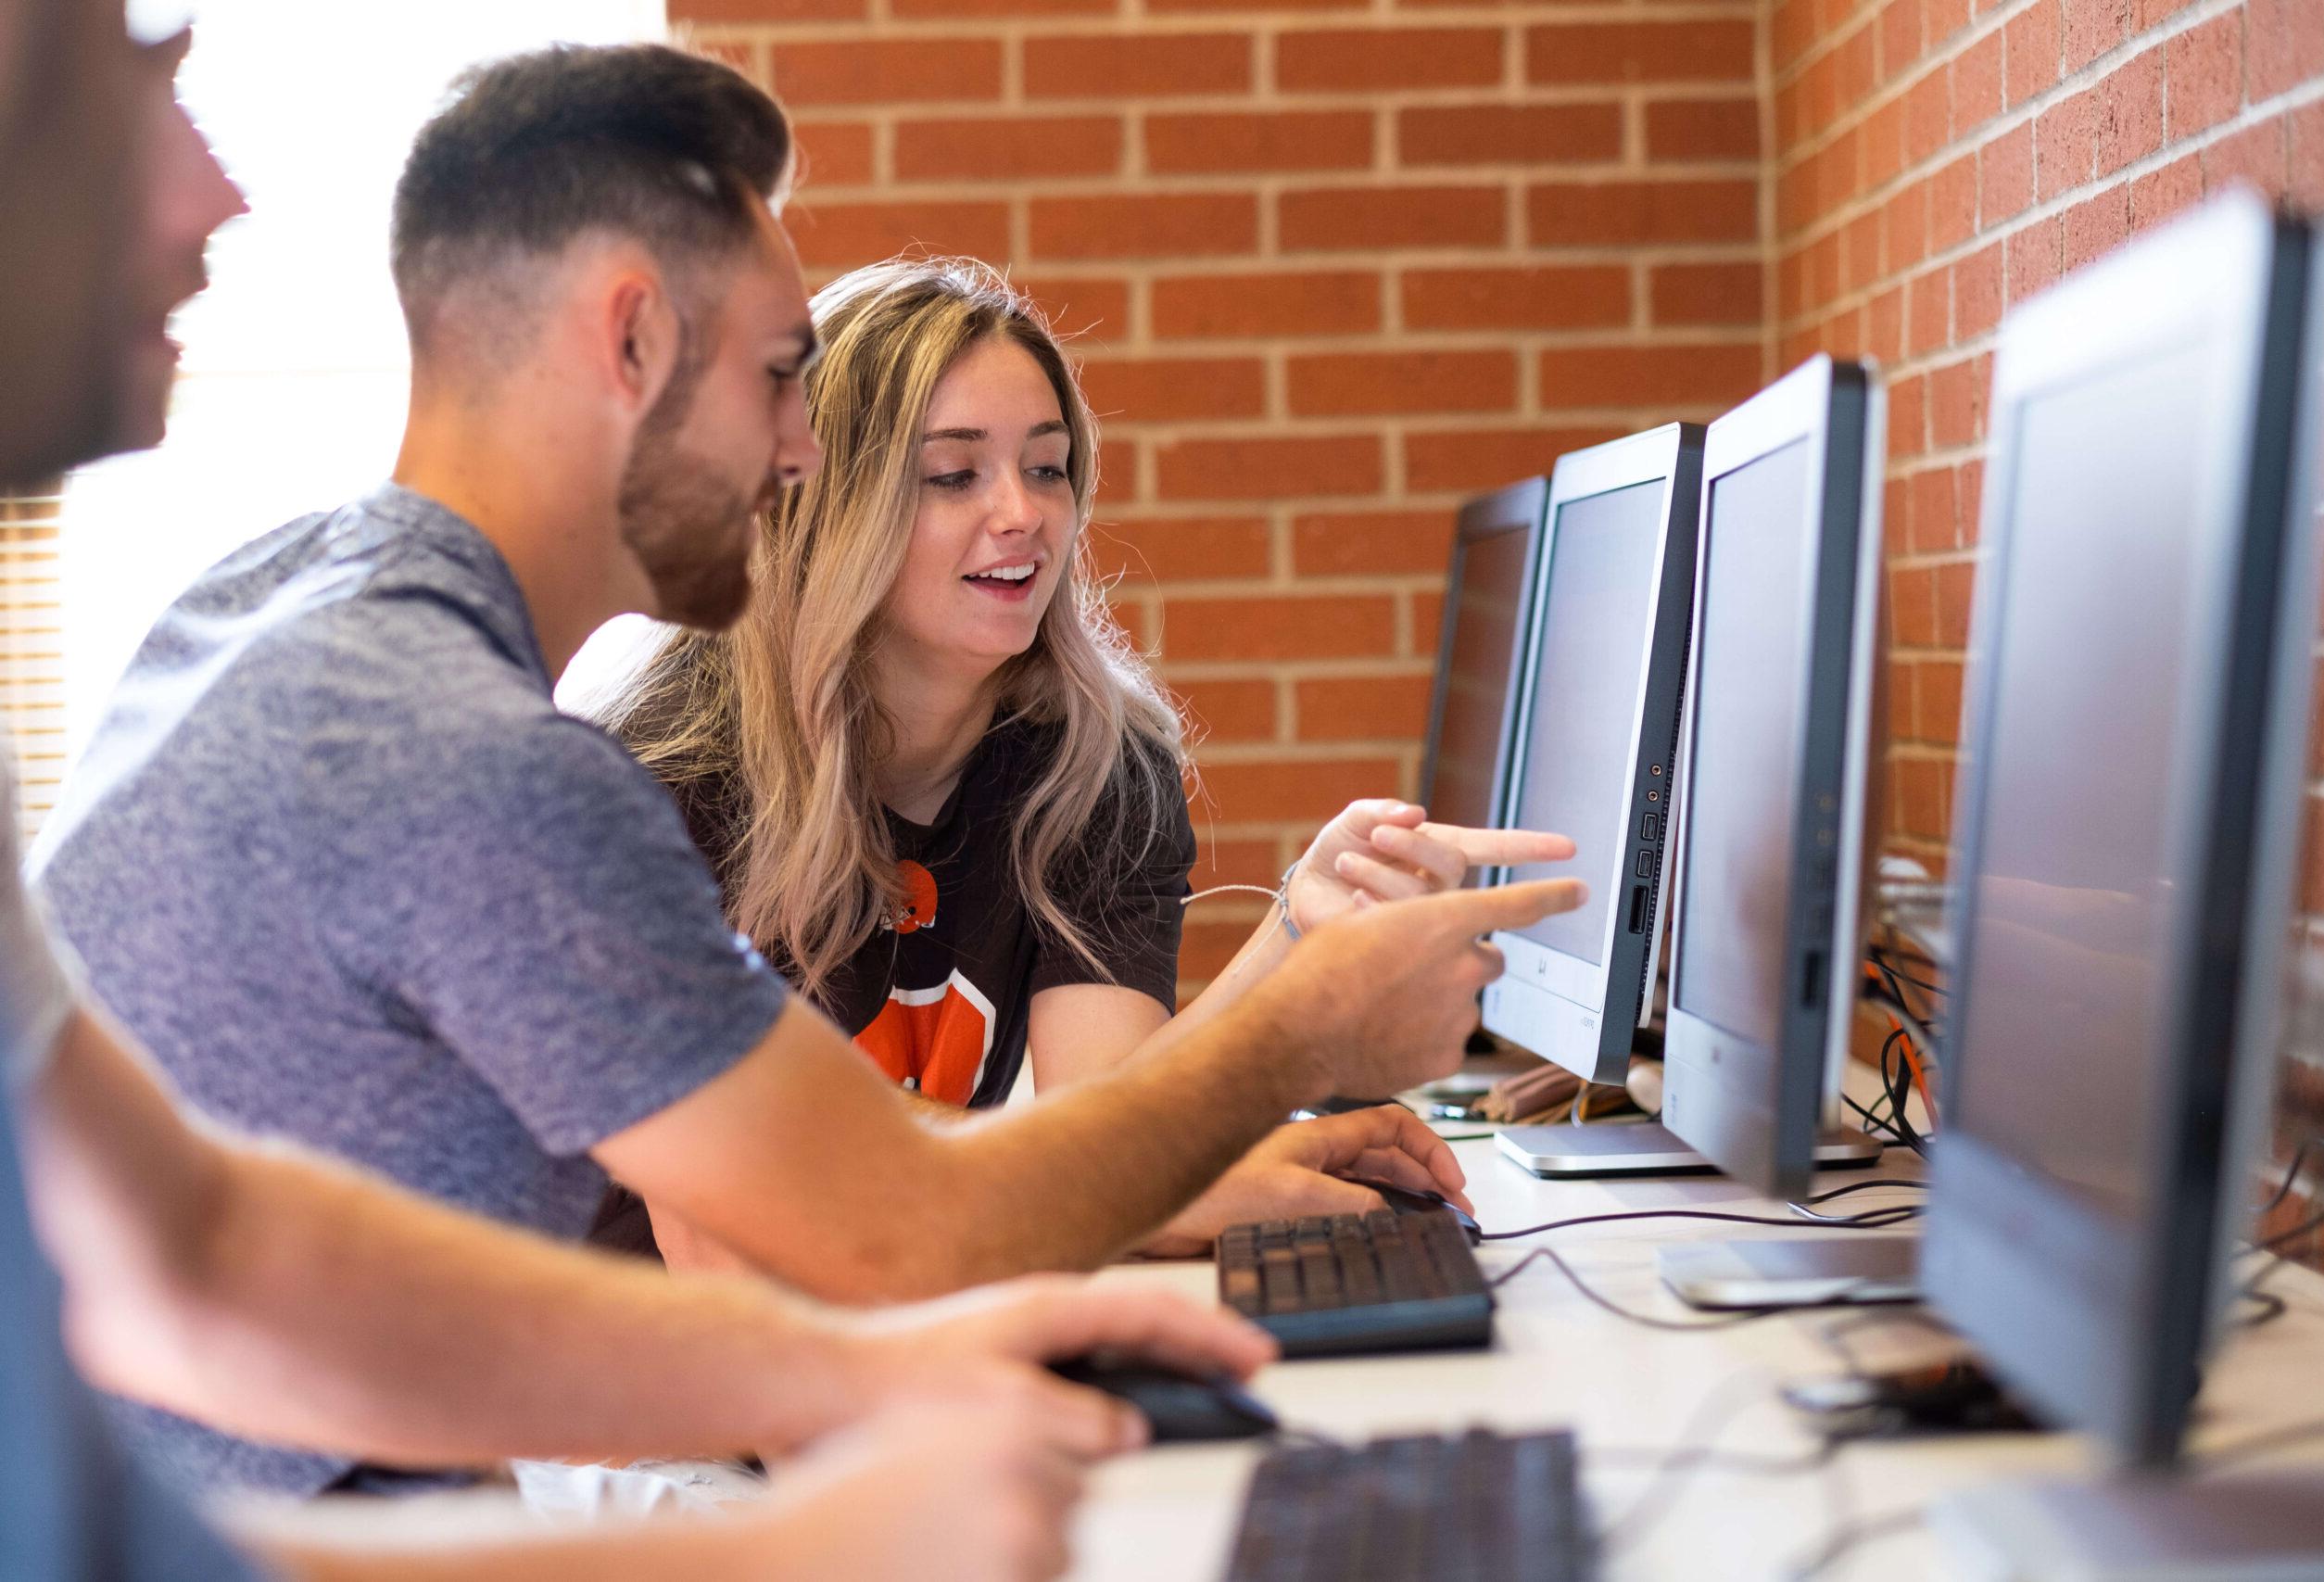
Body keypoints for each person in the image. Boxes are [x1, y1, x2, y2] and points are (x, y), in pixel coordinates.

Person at [32, 38, 1581, 1497]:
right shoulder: (496, 768)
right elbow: (885, 1241)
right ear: (633, 341)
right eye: (785, 380)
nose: (798, 457)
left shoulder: (278, 606)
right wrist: (1303, 1016)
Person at [582, 254, 1575, 1265]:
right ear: (818, 506)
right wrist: (1187, 1179)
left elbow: (1107, 1125)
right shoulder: (654, 777)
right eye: (951, 474)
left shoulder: (1091, 759)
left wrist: (1295, 933)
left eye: (1047, 466)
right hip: (621, 1370)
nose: (1023, 513)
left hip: (881, 1319)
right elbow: (746, 1203)